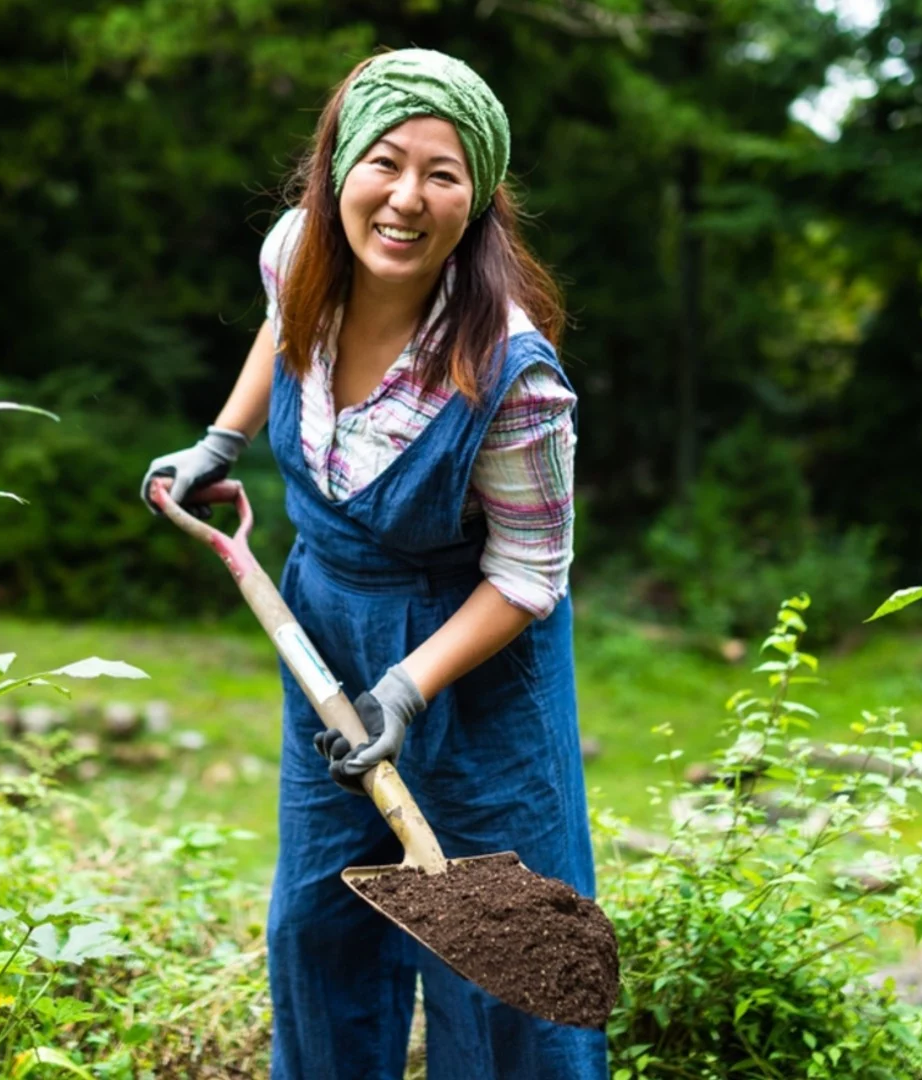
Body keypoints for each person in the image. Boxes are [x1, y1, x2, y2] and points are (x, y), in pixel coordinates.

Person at [140, 48, 603, 1080]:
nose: (407, 198)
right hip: (326, 629)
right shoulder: (296, 250)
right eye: (385, 163)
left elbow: (532, 573)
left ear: (476, 200)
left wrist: (407, 685)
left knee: (503, 961)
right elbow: (281, 327)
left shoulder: (512, 374)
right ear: (337, 167)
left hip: (475, 670)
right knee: (320, 926)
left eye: (443, 174)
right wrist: (221, 440)